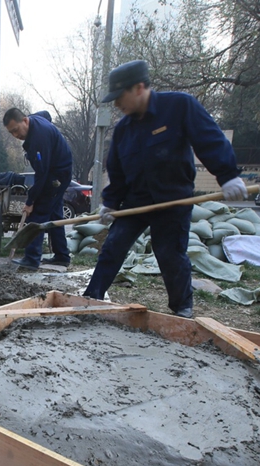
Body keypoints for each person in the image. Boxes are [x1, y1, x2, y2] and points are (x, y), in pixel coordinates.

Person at [83, 60, 247, 318]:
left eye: (119, 97)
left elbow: (209, 139)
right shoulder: (123, 129)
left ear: (139, 88)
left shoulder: (179, 106)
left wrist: (227, 175)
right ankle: (91, 299)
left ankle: (182, 309)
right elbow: (116, 170)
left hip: (173, 199)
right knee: (113, 246)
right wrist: (111, 203)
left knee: (170, 255)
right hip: (136, 202)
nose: (116, 104)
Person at [2, 108, 72, 271]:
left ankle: (32, 259)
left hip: (57, 175)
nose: (15, 135)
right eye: (11, 133)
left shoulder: (39, 138)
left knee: (38, 214)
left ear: (25, 121)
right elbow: (45, 114)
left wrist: (31, 201)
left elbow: (42, 174)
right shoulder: (33, 122)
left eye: (16, 130)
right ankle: (62, 255)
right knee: (54, 215)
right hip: (59, 172)